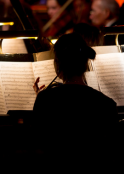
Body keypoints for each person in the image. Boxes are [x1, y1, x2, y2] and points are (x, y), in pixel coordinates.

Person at [32, 33, 117, 169]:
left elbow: (38, 143)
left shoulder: (46, 99)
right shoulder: (107, 103)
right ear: (85, 63)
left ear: (58, 64)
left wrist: (41, 97)